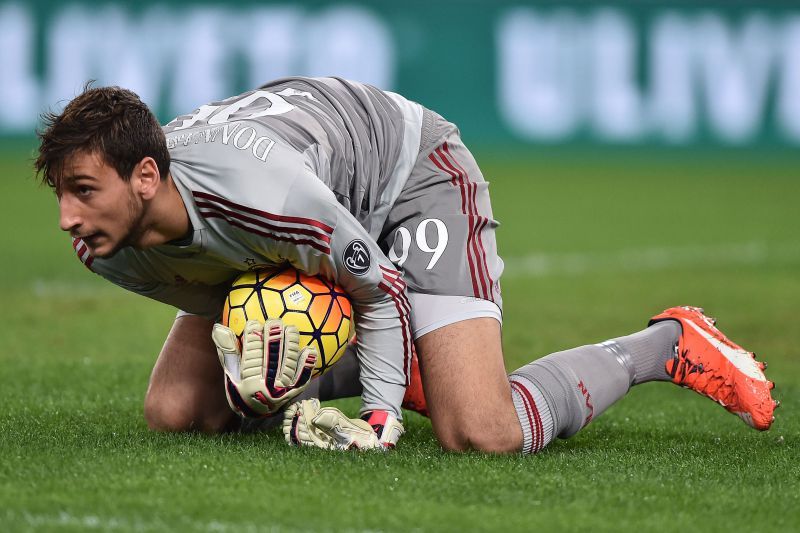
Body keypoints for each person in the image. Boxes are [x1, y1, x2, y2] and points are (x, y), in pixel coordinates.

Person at [35, 78, 778, 453]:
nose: (69, 217)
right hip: (305, 217)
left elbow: (379, 286)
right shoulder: (109, 243)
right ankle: (419, 362)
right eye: (62, 194)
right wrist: (263, 367)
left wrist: (381, 417)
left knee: (481, 429)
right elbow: (222, 289)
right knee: (181, 411)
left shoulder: (262, 196)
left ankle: (666, 344)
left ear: (143, 176)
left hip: (407, 176)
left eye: (83, 191)